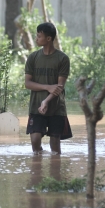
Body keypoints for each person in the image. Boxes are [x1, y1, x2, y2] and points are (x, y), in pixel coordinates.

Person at [25, 22, 72, 154]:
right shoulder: (33, 58)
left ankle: (55, 172)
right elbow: (27, 83)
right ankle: (38, 168)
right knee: (35, 142)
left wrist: (46, 101)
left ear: (49, 38)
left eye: (39, 36)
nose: (36, 39)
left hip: (56, 107)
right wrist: (47, 87)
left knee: (55, 148)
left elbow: (59, 87)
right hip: (36, 106)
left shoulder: (63, 59)